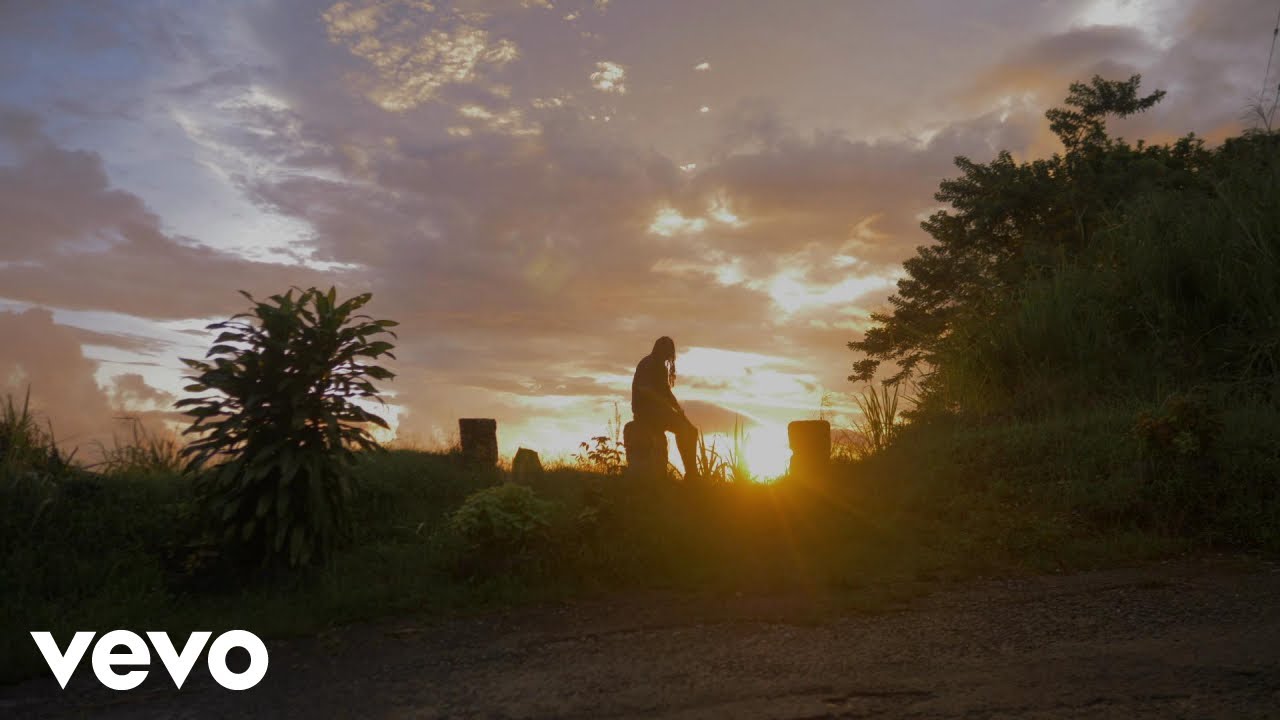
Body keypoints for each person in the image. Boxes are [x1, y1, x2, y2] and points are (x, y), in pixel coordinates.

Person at [631, 336, 700, 480]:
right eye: (666, 350)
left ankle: (692, 472)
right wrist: (665, 404)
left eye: (669, 351)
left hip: (659, 412)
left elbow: (667, 394)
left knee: (692, 431)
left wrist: (679, 411)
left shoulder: (661, 367)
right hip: (646, 412)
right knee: (682, 429)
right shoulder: (648, 363)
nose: (668, 354)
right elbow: (644, 389)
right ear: (659, 349)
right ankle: (691, 475)